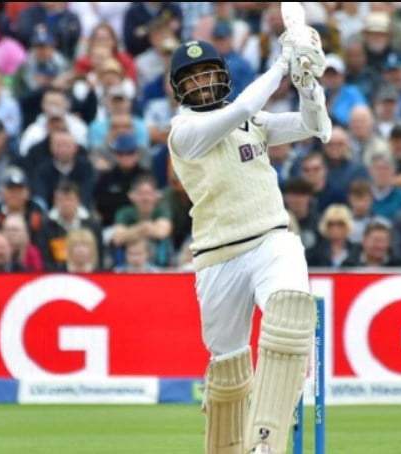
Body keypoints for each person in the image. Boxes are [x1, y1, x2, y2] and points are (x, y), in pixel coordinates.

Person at [165, 34, 331, 452]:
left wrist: (306, 83)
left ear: (222, 74)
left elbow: (312, 125)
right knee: (227, 370)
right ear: (178, 88)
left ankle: (266, 442)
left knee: (290, 310)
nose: (203, 82)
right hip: (217, 256)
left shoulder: (254, 120)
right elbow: (240, 109)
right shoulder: (184, 132)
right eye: (192, 77)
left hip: (271, 239)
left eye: (208, 73)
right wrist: (281, 66)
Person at [41, 181, 103, 272]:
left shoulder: (92, 225)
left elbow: (99, 255)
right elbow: (44, 258)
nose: (65, 204)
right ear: (54, 201)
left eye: (69, 199)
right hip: (56, 274)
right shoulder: (46, 226)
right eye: (61, 200)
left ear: (78, 200)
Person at [307, 204, 358, 268]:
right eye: (330, 224)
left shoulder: (356, 251)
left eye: (340, 223)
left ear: (347, 226)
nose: (335, 228)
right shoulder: (316, 252)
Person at [369, 154, 401, 221]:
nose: (381, 173)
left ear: (393, 171)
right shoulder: (364, 195)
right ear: (370, 171)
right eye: (378, 169)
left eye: (385, 169)